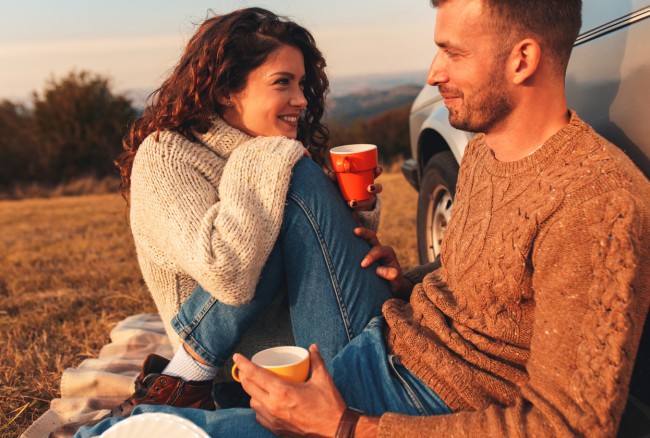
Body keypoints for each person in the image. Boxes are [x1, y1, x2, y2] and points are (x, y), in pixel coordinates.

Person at [73, 0, 650, 437]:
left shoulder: (597, 200)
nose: (432, 73)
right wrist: (411, 279)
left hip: (406, 399)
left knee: (155, 434)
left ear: (523, 59)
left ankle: (188, 384)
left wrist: (348, 426)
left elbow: (568, 425)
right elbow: (496, 293)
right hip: (385, 345)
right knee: (146, 426)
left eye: (452, 52)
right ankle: (187, 385)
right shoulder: (485, 152)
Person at [50, 7, 390, 438]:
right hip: (245, 368)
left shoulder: (265, 151)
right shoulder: (169, 156)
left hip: (307, 342)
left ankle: (178, 396)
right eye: (283, 82)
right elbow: (227, 271)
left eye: (302, 83)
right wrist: (269, 157)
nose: (302, 100)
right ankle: (184, 381)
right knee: (287, 187)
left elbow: (317, 263)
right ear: (227, 89)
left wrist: (352, 212)